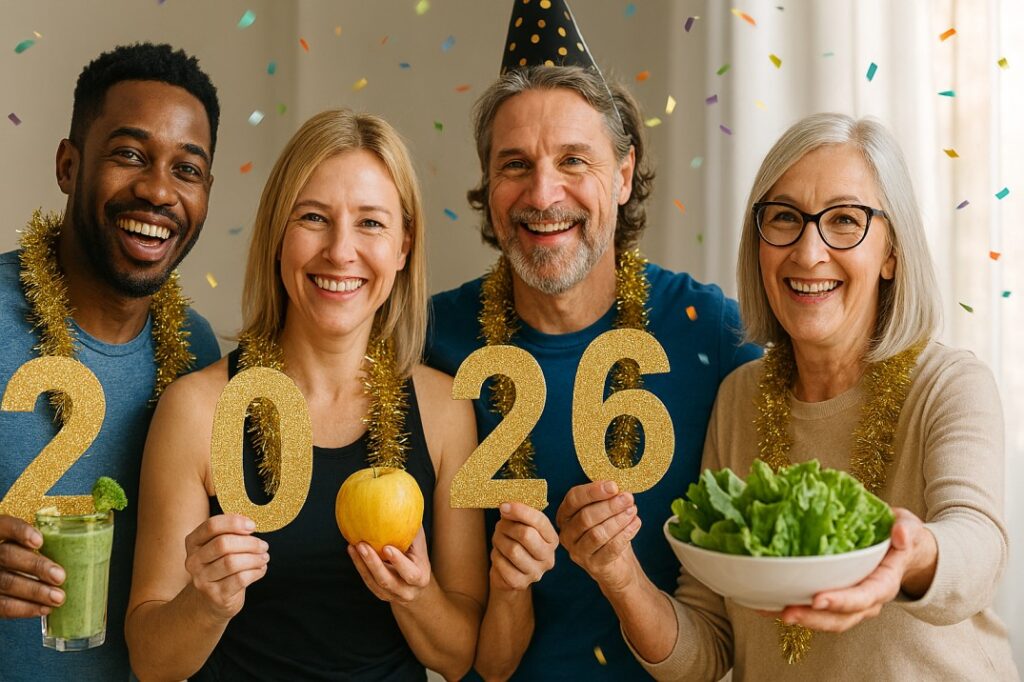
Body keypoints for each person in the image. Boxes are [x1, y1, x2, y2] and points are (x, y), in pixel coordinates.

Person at [615, 113, 1020, 680]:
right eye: (784, 218)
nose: (808, 253)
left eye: (845, 221)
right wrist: (619, 575)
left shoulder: (948, 384)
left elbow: (977, 547)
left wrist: (912, 551)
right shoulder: (740, 395)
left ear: (891, 253)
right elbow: (706, 649)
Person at [426, 1, 760, 677]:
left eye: (573, 159)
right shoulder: (431, 339)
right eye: (514, 164)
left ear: (624, 173)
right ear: (488, 184)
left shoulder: (711, 332)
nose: (542, 194)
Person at [125, 109, 487, 680]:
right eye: (314, 217)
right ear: (277, 236)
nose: (340, 251)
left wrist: (415, 596)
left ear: (403, 246)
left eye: (371, 223)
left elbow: (461, 652)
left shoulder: (445, 411)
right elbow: (150, 660)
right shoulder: (197, 409)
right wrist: (207, 602)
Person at [0, 43, 221, 681]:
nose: (157, 190)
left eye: (187, 169)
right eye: (129, 154)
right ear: (69, 165)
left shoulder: (198, 357)